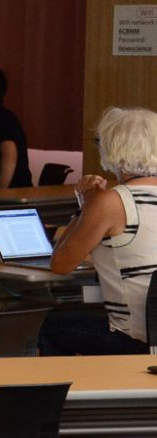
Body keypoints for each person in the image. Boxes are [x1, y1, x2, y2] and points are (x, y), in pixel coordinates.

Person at [38, 106, 157, 356]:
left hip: (136, 339)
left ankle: (68, 394)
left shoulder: (114, 201)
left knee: (49, 325)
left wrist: (86, 207)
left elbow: (60, 264)